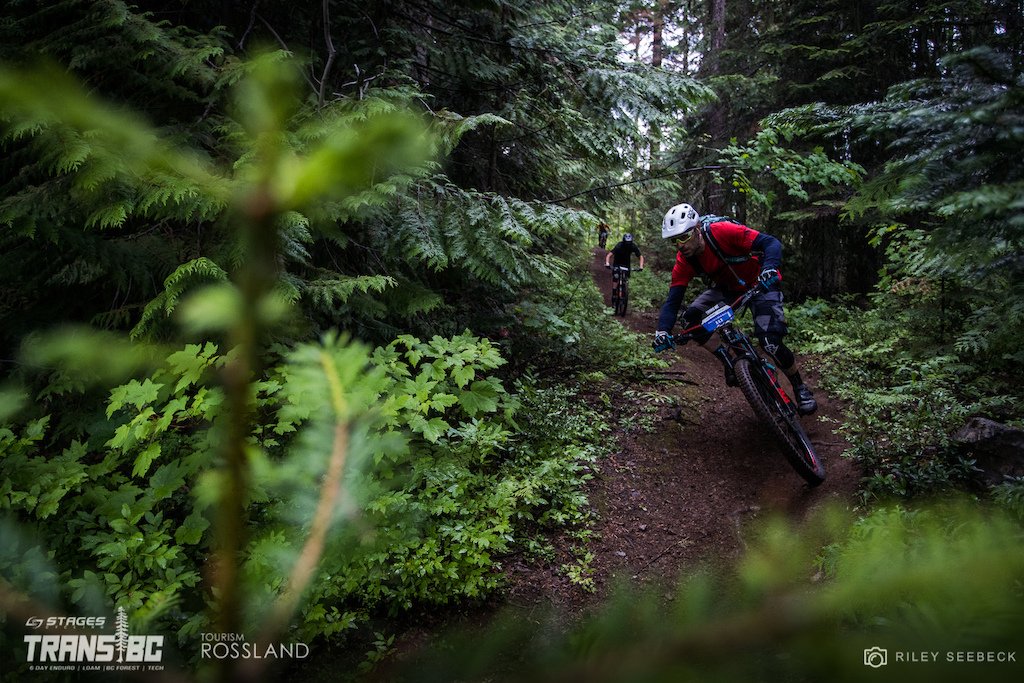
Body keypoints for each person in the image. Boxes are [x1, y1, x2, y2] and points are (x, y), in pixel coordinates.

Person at [651, 203, 817, 415]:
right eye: (674, 241)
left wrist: (769, 269)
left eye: (683, 237)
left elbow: (770, 242)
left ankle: (799, 387)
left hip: (760, 282)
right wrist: (663, 331)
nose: (679, 245)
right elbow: (673, 300)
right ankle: (728, 360)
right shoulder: (684, 261)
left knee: (770, 341)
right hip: (728, 289)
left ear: (697, 229)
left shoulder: (722, 232)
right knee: (690, 319)